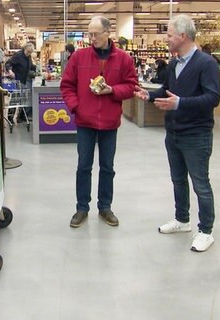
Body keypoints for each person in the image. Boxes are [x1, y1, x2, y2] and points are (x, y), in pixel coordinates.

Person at [134, 14, 220, 252]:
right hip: (173, 132)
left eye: (169, 35)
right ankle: (182, 220)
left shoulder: (207, 64)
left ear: (183, 36)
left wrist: (180, 103)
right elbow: (167, 89)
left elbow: (213, 98)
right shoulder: (174, 63)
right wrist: (150, 95)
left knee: (200, 183)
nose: (166, 39)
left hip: (196, 134)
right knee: (177, 179)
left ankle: (206, 231)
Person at [60, 16, 138, 228]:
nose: (92, 38)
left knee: (107, 167)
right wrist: (76, 107)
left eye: (96, 34)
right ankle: (81, 208)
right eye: (89, 34)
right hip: (85, 122)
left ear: (108, 33)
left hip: (110, 123)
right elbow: (66, 85)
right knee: (83, 166)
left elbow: (132, 86)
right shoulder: (79, 57)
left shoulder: (124, 59)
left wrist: (112, 90)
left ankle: (105, 207)